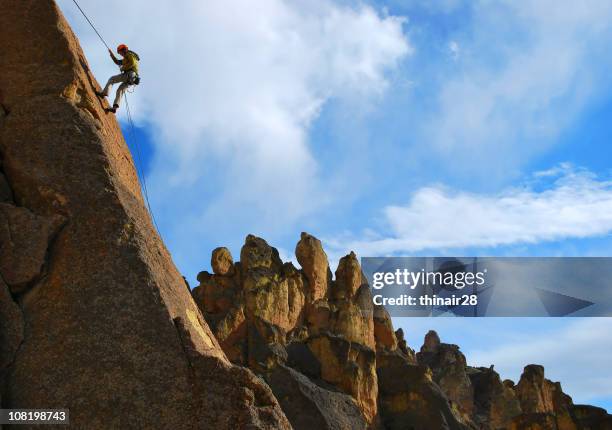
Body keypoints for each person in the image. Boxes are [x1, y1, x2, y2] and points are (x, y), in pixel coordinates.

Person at [96, 44, 140, 113]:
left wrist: (123, 68)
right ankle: (114, 108)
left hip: (129, 74)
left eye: (120, 52)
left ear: (123, 50)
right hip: (132, 79)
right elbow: (117, 62)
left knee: (112, 79)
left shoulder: (129, 54)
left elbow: (132, 63)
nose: (121, 54)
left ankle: (104, 93)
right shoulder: (126, 57)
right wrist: (111, 54)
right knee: (120, 90)